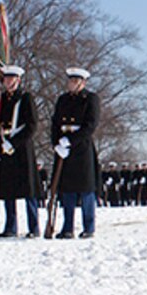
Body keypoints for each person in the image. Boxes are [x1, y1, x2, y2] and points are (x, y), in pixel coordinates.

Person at [49, 67, 101, 239]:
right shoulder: (63, 100)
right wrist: (56, 143)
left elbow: (90, 125)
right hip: (64, 150)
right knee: (67, 191)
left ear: (83, 83)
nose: (71, 84)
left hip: (82, 149)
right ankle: (67, 227)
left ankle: (89, 227)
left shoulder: (90, 99)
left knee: (86, 190)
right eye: (70, 81)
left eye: (75, 81)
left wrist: (70, 140)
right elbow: (55, 123)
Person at [0, 65, 40, 238]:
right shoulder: (1, 99)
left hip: (22, 148)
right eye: (5, 78)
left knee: (28, 190)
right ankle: (10, 226)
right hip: (4, 144)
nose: (8, 81)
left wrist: (14, 142)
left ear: (18, 80)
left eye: (11, 78)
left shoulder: (25, 98)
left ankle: (33, 227)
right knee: (8, 190)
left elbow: (32, 125)